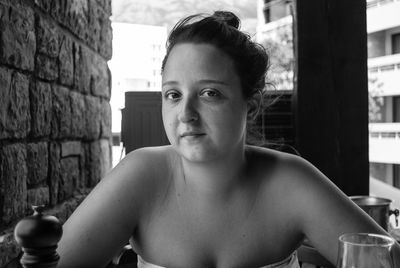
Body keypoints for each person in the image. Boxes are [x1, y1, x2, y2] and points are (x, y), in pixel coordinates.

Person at [57, 11, 400, 268]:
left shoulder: (290, 181)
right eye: (173, 95)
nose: (186, 114)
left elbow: (382, 257)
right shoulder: (140, 176)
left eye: (209, 93)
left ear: (249, 107)